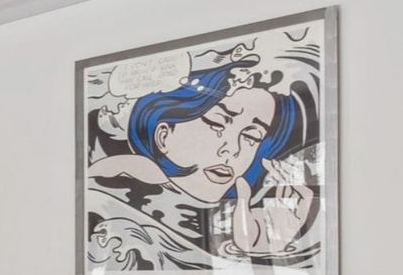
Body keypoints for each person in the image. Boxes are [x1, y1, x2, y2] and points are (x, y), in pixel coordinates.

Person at [88, 65, 310, 256]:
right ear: (163, 135)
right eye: (216, 123)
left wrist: (266, 252)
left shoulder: (244, 217)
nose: (232, 150)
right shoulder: (115, 185)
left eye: (252, 136)